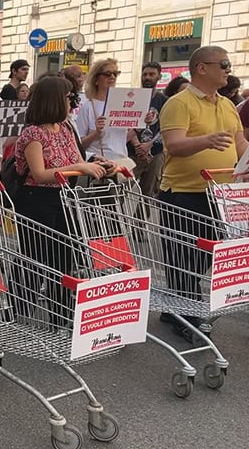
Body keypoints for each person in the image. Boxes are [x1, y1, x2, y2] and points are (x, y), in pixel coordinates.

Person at [158, 46, 248, 341]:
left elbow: (239, 145)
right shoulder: (179, 103)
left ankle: (177, 305)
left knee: (205, 255)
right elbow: (174, 145)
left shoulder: (227, 105)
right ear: (201, 68)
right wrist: (206, 140)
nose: (228, 69)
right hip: (184, 191)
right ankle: (184, 313)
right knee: (182, 255)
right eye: (222, 64)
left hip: (219, 194)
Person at [14, 76, 112, 324]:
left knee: (63, 257)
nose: (72, 102)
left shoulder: (66, 128)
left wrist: (96, 165)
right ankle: (20, 311)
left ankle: (61, 315)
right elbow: (39, 174)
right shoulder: (33, 134)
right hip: (36, 199)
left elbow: (78, 160)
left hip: (63, 198)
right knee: (35, 257)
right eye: (69, 98)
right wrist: (79, 166)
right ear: (55, 100)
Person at [76, 59, 130, 163]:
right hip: (99, 165)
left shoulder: (122, 105)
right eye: (107, 74)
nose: (112, 77)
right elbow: (78, 145)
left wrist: (141, 123)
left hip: (121, 163)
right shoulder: (88, 107)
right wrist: (96, 132)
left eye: (115, 73)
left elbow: (122, 138)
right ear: (96, 79)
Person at [128, 61, 169, 198]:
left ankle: (140, 219)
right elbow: (128, 122)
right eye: (145, 74)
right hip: (132, 152)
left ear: (159, 76)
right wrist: (138, 145)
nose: (147, 77)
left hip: (155, 151)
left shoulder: (165, 101)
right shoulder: (132, 97)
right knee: (122, 187)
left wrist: (149, 144)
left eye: (152, 74)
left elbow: (166, 127)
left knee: (148, 192)